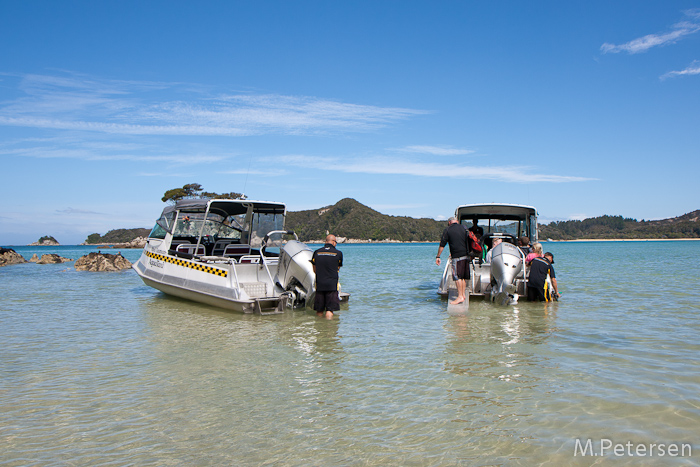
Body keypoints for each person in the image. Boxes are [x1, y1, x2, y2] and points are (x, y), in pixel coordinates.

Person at [436, 217, 471, 305]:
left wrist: (438, 256)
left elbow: (442, 244)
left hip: (457, 256)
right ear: (457, 222)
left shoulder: (448, 230)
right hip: (466, 255)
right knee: (462, 277)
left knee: (457, 276)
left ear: (449, 222)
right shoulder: (464, 228)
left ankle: (459, 297)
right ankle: (462, 295)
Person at [311, 234, 343, 319]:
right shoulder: (338, 253)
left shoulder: (317, 252)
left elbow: (314, 269)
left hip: (320, 284)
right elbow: (338, 268)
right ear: (333, 242)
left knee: (319, 310)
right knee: (330, 310)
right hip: (332, 285)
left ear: (326, 242)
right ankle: (329, 329)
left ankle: (319, 328)